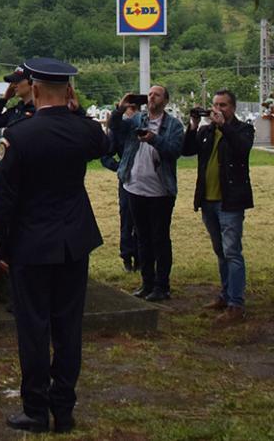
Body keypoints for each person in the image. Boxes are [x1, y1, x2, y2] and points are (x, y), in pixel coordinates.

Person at [0, 57, 109, 434]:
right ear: (68, 91)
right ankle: (65, 408)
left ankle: (36, 409)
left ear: (35, 89)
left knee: (34, 328)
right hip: (74, 242)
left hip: (31, 244)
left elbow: (4, 197)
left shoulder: (19, 136)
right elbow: (104, 141)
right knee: (68, 327)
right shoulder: (84, 131)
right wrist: (78, 109)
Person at [182, 89, 254, 322]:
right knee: (220, 251)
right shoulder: (207, 131)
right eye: (215, 105)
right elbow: (187, 151)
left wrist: (225, 126)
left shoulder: (243, 129)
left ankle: (236, 304)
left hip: (230, 201)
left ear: (232, 107)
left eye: (223, 105)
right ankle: (225, 294)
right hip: (208, 200)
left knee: (232, 251)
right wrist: (193, 125)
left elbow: (242, 149)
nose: (217, 110)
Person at [108, 86, 184, 302]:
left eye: (157, 94)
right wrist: (120, 109)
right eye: (150, 94)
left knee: (159, 239)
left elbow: (174, 151)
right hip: (134, 187)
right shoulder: (137, 119)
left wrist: (153, 139)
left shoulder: (174, 125)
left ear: (166, 100)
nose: (152, 97)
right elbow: (116, 128)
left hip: (160, 191)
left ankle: (162, 286)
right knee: (142, 238)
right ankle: (147, 283)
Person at [101, 104, 139, 272]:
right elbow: (105, 155)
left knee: (143, 220)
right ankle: (127, 257)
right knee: (127, 218)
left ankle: (141, 257)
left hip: (147, 178)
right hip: (127, 178)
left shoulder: (146, 122)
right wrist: (120, 166)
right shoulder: (118, 129)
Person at [0, 64, 35, 133]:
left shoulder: (39, 111)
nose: (13, 86)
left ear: (31, 82)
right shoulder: (16, 110)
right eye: (12, 82)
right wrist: (5, 98)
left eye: (17, 81)